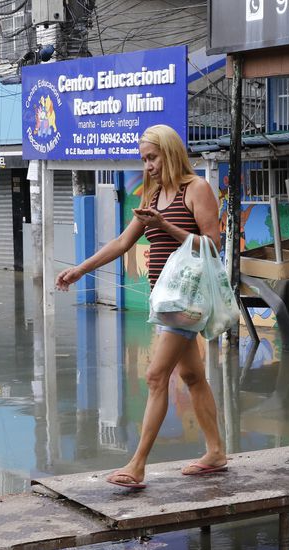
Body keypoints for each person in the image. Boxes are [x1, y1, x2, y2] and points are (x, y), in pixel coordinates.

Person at [55, 124, 227, 489]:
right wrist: (79, 270)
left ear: (170, 152)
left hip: (188, 299)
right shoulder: (151, 196)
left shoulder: (196, 189)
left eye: (152, 157)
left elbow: (213, 243)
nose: (147, 165)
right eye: (144, 159)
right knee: (193, 376)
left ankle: (137, 465)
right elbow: (120, 242)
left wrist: (167, 226)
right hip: (165, 301)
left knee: (154, 377)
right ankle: (215, 452)